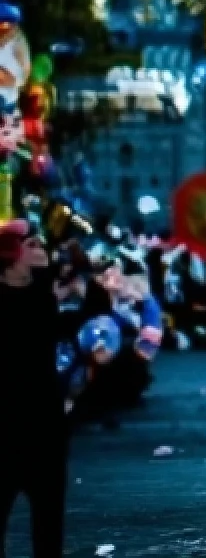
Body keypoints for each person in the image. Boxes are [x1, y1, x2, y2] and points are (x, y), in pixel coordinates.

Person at [0, 219, 68, 558]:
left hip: (44, 423)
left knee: (49, 527)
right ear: (12, 253)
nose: (40, 247)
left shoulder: (43, 296)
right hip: (4, 425)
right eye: (31, 244)